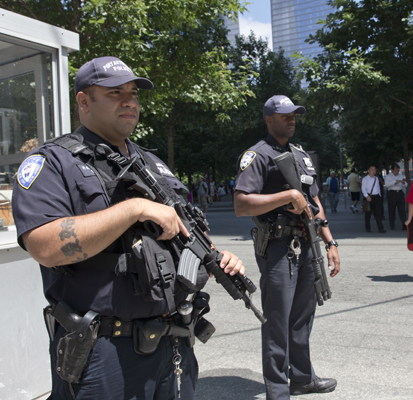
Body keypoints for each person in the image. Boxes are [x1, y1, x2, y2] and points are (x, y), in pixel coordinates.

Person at [11, 56, 245, 399]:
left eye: (133, 93)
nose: (129, 101)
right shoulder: (53, 163)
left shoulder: (154, 164)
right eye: (115, 92)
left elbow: (185, 230)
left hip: (174, 344)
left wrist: (215, 255)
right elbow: (44, 246)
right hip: (104, 354)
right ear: (84, 101)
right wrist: (134, 209)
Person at [233, 95, 341, 399]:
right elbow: (241, 204)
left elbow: (315, 200)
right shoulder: (258, 155)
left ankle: (303, 378)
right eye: (285, 116)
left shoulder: (300, 154)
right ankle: (278, 392)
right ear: (269, 119)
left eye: (295, 115)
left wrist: (329, 241)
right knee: (278, 320)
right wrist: (286, 197)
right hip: (278, 246)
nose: (292, 119)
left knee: (302, 317)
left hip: (307, 242)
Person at [362, 165, 386, 233]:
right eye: (372, 169)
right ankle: (368, 228)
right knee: (368, 214)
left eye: (374, 170)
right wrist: (367, 196)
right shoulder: (365, 179)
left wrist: (379, 195)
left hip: (377, 197)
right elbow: (363, 188)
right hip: (369, 197)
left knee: (378, 213)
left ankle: (381, 228)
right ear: (368, 170)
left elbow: (378, 188)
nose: (373, 171)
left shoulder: (376, 178)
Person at [384, 163, 407, 230]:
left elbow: (406, 185)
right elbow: (387, 185)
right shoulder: (388, 176)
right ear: (392, 170)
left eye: (398, 170)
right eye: (395, 170)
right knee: (392, 210)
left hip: (400, 193)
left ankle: (404, 224)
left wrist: (403, 183)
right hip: (392, 193)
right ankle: (392, 224)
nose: (397, 172)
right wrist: (395, 182)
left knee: (402, 209)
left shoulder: (400, 176)